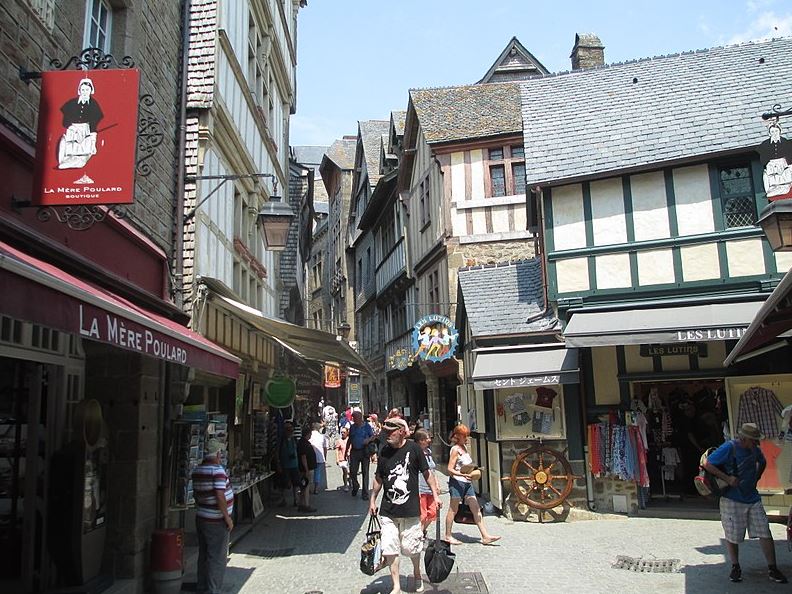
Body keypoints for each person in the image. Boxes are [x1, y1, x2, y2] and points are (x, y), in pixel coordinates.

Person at [704, 422, 787, 584]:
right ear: (744, 439)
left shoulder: (754, 450)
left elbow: (762, 462)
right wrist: (727, 478)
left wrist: (756, 478)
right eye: (753, 440)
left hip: (752, 497)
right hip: (732, 498)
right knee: (732, 535)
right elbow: (707, 463)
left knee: (764, 530)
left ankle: (772, 568)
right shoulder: (730, 447)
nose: (756, 443)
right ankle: (735, 566)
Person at [369, 417, 442, 594]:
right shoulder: (384, 451)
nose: (387, 435)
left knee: (411, 547)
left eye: (391, 432)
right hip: (388, 510)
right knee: (390, 547)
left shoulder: (414, 449)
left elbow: (427, 473)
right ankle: (396, 585)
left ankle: (417, 573)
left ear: (401, 432)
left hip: (410, 509)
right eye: (385, 432)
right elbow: (379, 478)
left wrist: (435, 495)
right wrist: (372, 500)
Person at [445, 424, 500, 545]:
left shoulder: (464, 448)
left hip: (467, 483)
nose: (467, 438)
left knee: (476, 508)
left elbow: (466, 466)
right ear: (458, 436)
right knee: (453, 509)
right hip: (457, 482)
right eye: (465, 436)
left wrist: (474, 470)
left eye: (467, 436)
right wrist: (461, 474)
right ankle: (448, 535)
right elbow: (449, 469)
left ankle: (485, 536)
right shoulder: (455, 450)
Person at [192, 439, 234, 594]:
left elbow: (196, 494)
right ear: (217, 454)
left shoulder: (197, 470)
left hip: (202, 517)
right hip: (216, 520)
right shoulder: (217, 471)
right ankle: (213, 589)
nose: (221, 456)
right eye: (220, 453)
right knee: (217, 556)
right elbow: (219, 495)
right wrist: (227, 518)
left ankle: (202, 585)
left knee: (204, 553)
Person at [58, 78, 103, 169]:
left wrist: (93, 142)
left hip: (85, 130)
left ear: (91, 91)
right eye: (83, 90)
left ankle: (77, 162)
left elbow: (94, 124)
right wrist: (71, 128)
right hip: (72, 130)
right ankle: (66, 162)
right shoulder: (71, 103)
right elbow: (65, 120)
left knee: (82, 155)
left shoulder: (93, 105)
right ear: (79, 90)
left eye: (87, 90)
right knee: (70, 149)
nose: (85, 92)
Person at [345, 410, 375, 498]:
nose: (354, 419)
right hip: (354, 451)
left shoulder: (367, 426)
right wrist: (346, 451)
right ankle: (355, 486)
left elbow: (373, 436)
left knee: (365, 472)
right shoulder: (352, 427)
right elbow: (350, 439)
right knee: (353, 471)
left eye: (355, 418)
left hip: (364, 451)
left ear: (360, 418)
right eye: (353, 418)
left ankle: (365, 493)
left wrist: (368, 440)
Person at [413, 429, 438, 533]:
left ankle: (421, 531)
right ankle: (419, 535)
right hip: (420, 488)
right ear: (421, 440)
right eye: (427, 438)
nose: (429, 440)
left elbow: (432, 470)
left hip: (430, 489)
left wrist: (436, 485)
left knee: (433, 512)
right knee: (422, 515)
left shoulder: (429, 452)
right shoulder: (415, 453)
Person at [276, 421, 300, 507]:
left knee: (296, 483)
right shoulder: (281, 440)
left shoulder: (294, 439)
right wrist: (278, 463)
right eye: (288, 429)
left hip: (294, 465)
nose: (290, 431)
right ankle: (283, 500)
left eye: (291, 429)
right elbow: (277, 452)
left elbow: (298, 451)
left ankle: (296, 499)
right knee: (283, 484)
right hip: (284, 465)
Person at [297, 425, 318, 512]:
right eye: (310, 434)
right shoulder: (304, 443)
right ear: (307, 434)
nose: (311, 436)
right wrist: (306, 469)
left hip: (305, 468)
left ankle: (301, 504)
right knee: (306, 486)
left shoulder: (303, 442)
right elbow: (303, 457)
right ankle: (306, 505)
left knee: (303, 486)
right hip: (306, 469)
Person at [309, 422, 328, 493]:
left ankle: (309, 487)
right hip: (319, 456)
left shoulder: (309, 436)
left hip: (310, 456)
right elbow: (325, 448)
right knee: (317, 472)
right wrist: (325, 457)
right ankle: (316, 488)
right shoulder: (322, 436)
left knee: (310, 472)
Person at [336, 426, 350, 491]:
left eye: (344, 432)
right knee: (345, 472)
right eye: (341, 432)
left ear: (347, 433)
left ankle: (350, 481)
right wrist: (337, 459)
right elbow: (337, 450)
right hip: (343, 459)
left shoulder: (350, 440)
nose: (342, 433)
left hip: (350, 458)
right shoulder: (339, 441)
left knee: (351, 472)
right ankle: (345, 485)